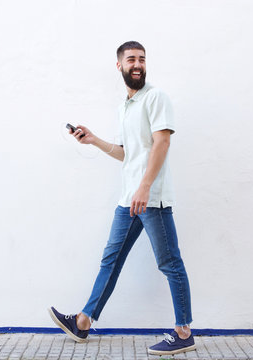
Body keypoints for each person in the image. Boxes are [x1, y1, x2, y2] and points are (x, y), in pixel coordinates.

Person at [49, 41, 195, 356]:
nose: (138, 64)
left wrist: (144, 188)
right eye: (131, 59)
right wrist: (94, 141)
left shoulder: (155, 98)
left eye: (142, 59)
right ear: (120, 66)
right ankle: (84, 322)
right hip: (129, 198)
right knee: (110, 260)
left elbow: (161, 144)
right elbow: (127, 154)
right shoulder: (125, 107)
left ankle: (184, 332)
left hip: (150, 197)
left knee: (169, 262)